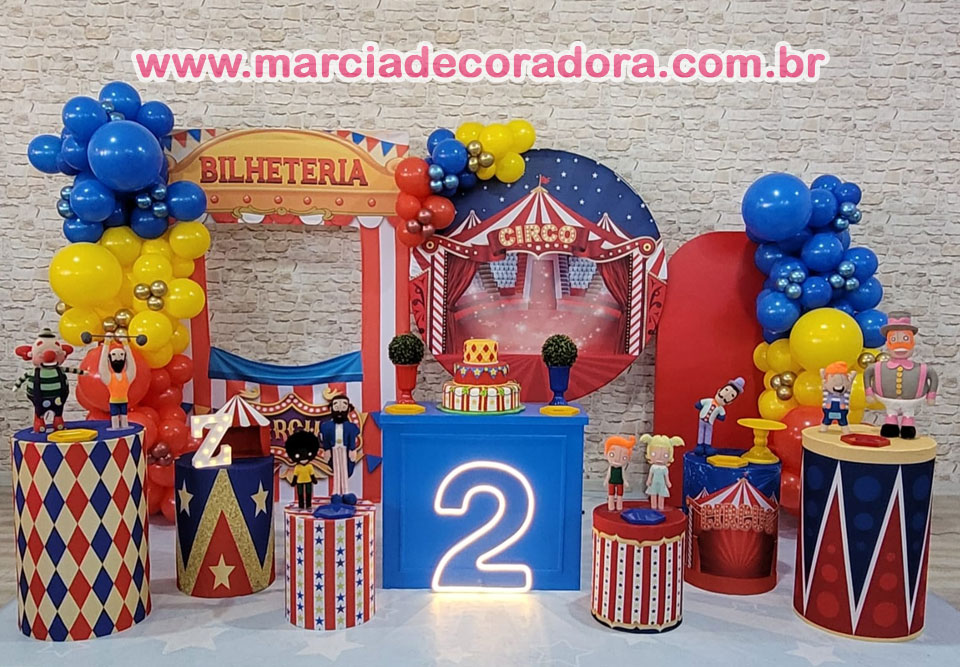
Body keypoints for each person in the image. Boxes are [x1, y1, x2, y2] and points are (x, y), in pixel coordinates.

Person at [864, 311, 938, 439]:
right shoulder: (878, 367)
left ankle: (908, 427)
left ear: (912, 343)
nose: (900, 346)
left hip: (911, 401)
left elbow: (933, 376)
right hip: (888, 401)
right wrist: (869, 392)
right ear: (888, 343)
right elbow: (867, 373)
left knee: (908, 415)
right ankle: (891, 425)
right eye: (894, 339)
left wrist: (931, 395)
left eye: (905, 339)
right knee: (890, 415)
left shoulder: (922, 368)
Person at [15, 328, 84, 432]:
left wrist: (83, 372)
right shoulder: (34, 372)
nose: (50, 356)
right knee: (39, 410)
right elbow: (23, 377)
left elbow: (72, 370)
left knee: (58, 409)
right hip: (39, 398)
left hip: (59, 397)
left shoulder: (60, 370)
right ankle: (39, 420)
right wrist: (17, 385)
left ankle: (58, 420)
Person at [320, 394, 361, 505]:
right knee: (336, 471)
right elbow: (326, 440)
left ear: (348, 409)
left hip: (345, 450)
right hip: (334, 450)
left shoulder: (351, 427)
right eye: (336, 407)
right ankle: (336, 492)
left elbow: (352, 439)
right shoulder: (326, 426)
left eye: (343, 407)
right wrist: (327, 450)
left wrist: (352, 449)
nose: (339, 410)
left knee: (345, 471)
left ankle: (346, 492)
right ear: (331, 408)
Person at [693, 377, 745, 456]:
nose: (724, 396)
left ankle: (707, 446)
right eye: (726, 390)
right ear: (719, 390)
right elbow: (698, 404)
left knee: (708, 433)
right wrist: (699, 405)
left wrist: (720, 416)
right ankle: (699, 445)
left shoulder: (720, 408)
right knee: (701, 431)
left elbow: (722, 417)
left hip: (710, 423)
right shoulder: (708, 401)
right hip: (702, 419)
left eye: (731, 396)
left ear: (730, 402)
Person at [97, 339, 137, 430]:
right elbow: (102, 365)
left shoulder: (127, 377)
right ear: (109, 359)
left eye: (121, 355)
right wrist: (106, 344)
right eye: (114, 355)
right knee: (114, 416)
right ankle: (115, 427)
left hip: (124, 401)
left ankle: (124, 426)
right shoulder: (109, 378)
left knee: (124, 415)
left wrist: (126, 345)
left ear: (125, 358)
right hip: (114, 402)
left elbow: (132, 364)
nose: (118, 358)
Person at [641, 434, 683, 511]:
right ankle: (653, 506)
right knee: (653, 494)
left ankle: (660, 506)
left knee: (661, 495)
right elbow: (650, 475)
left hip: (662, 484)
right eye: (654, 454)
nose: (659, 458)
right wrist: (648, 480)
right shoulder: (653, 467)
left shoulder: (664, 468)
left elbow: (666, 476)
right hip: (653, 484)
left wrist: (668, 482)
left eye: (665, 455)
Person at [285, 430, 320, 510]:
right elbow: (295, 476)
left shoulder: (309, 466)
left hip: (308, 481)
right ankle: (301, 505)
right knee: (300, 494)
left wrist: (314, 480)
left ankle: (308, 504)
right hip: (299, 482)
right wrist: (294, 482)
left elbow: (312, 475)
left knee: (308, 493)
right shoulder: (298, 467)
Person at [820, 361, 857, 433]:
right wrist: (822, 376)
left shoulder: (845, 393)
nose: (838, 385)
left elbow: (849, 386)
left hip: (842, 411)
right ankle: (824, 428)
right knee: (826, 421)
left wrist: (852, 378)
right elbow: (824, 386)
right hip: (828, 410)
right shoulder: (827, 391)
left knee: (843, 422)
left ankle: (845, 430)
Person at [603, 435, 636, 511]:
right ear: (606, 453)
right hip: (611, 482)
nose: (617, 460)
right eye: (612, 454)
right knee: (611, 495)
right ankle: (611, 506)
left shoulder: (621, 469)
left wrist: (625, 482)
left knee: (619, 495)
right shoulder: (611, 468)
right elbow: (608, 475)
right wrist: (606, 481)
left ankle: (619, 506)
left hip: (620, 483)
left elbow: (623, 476)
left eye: (624, 457)